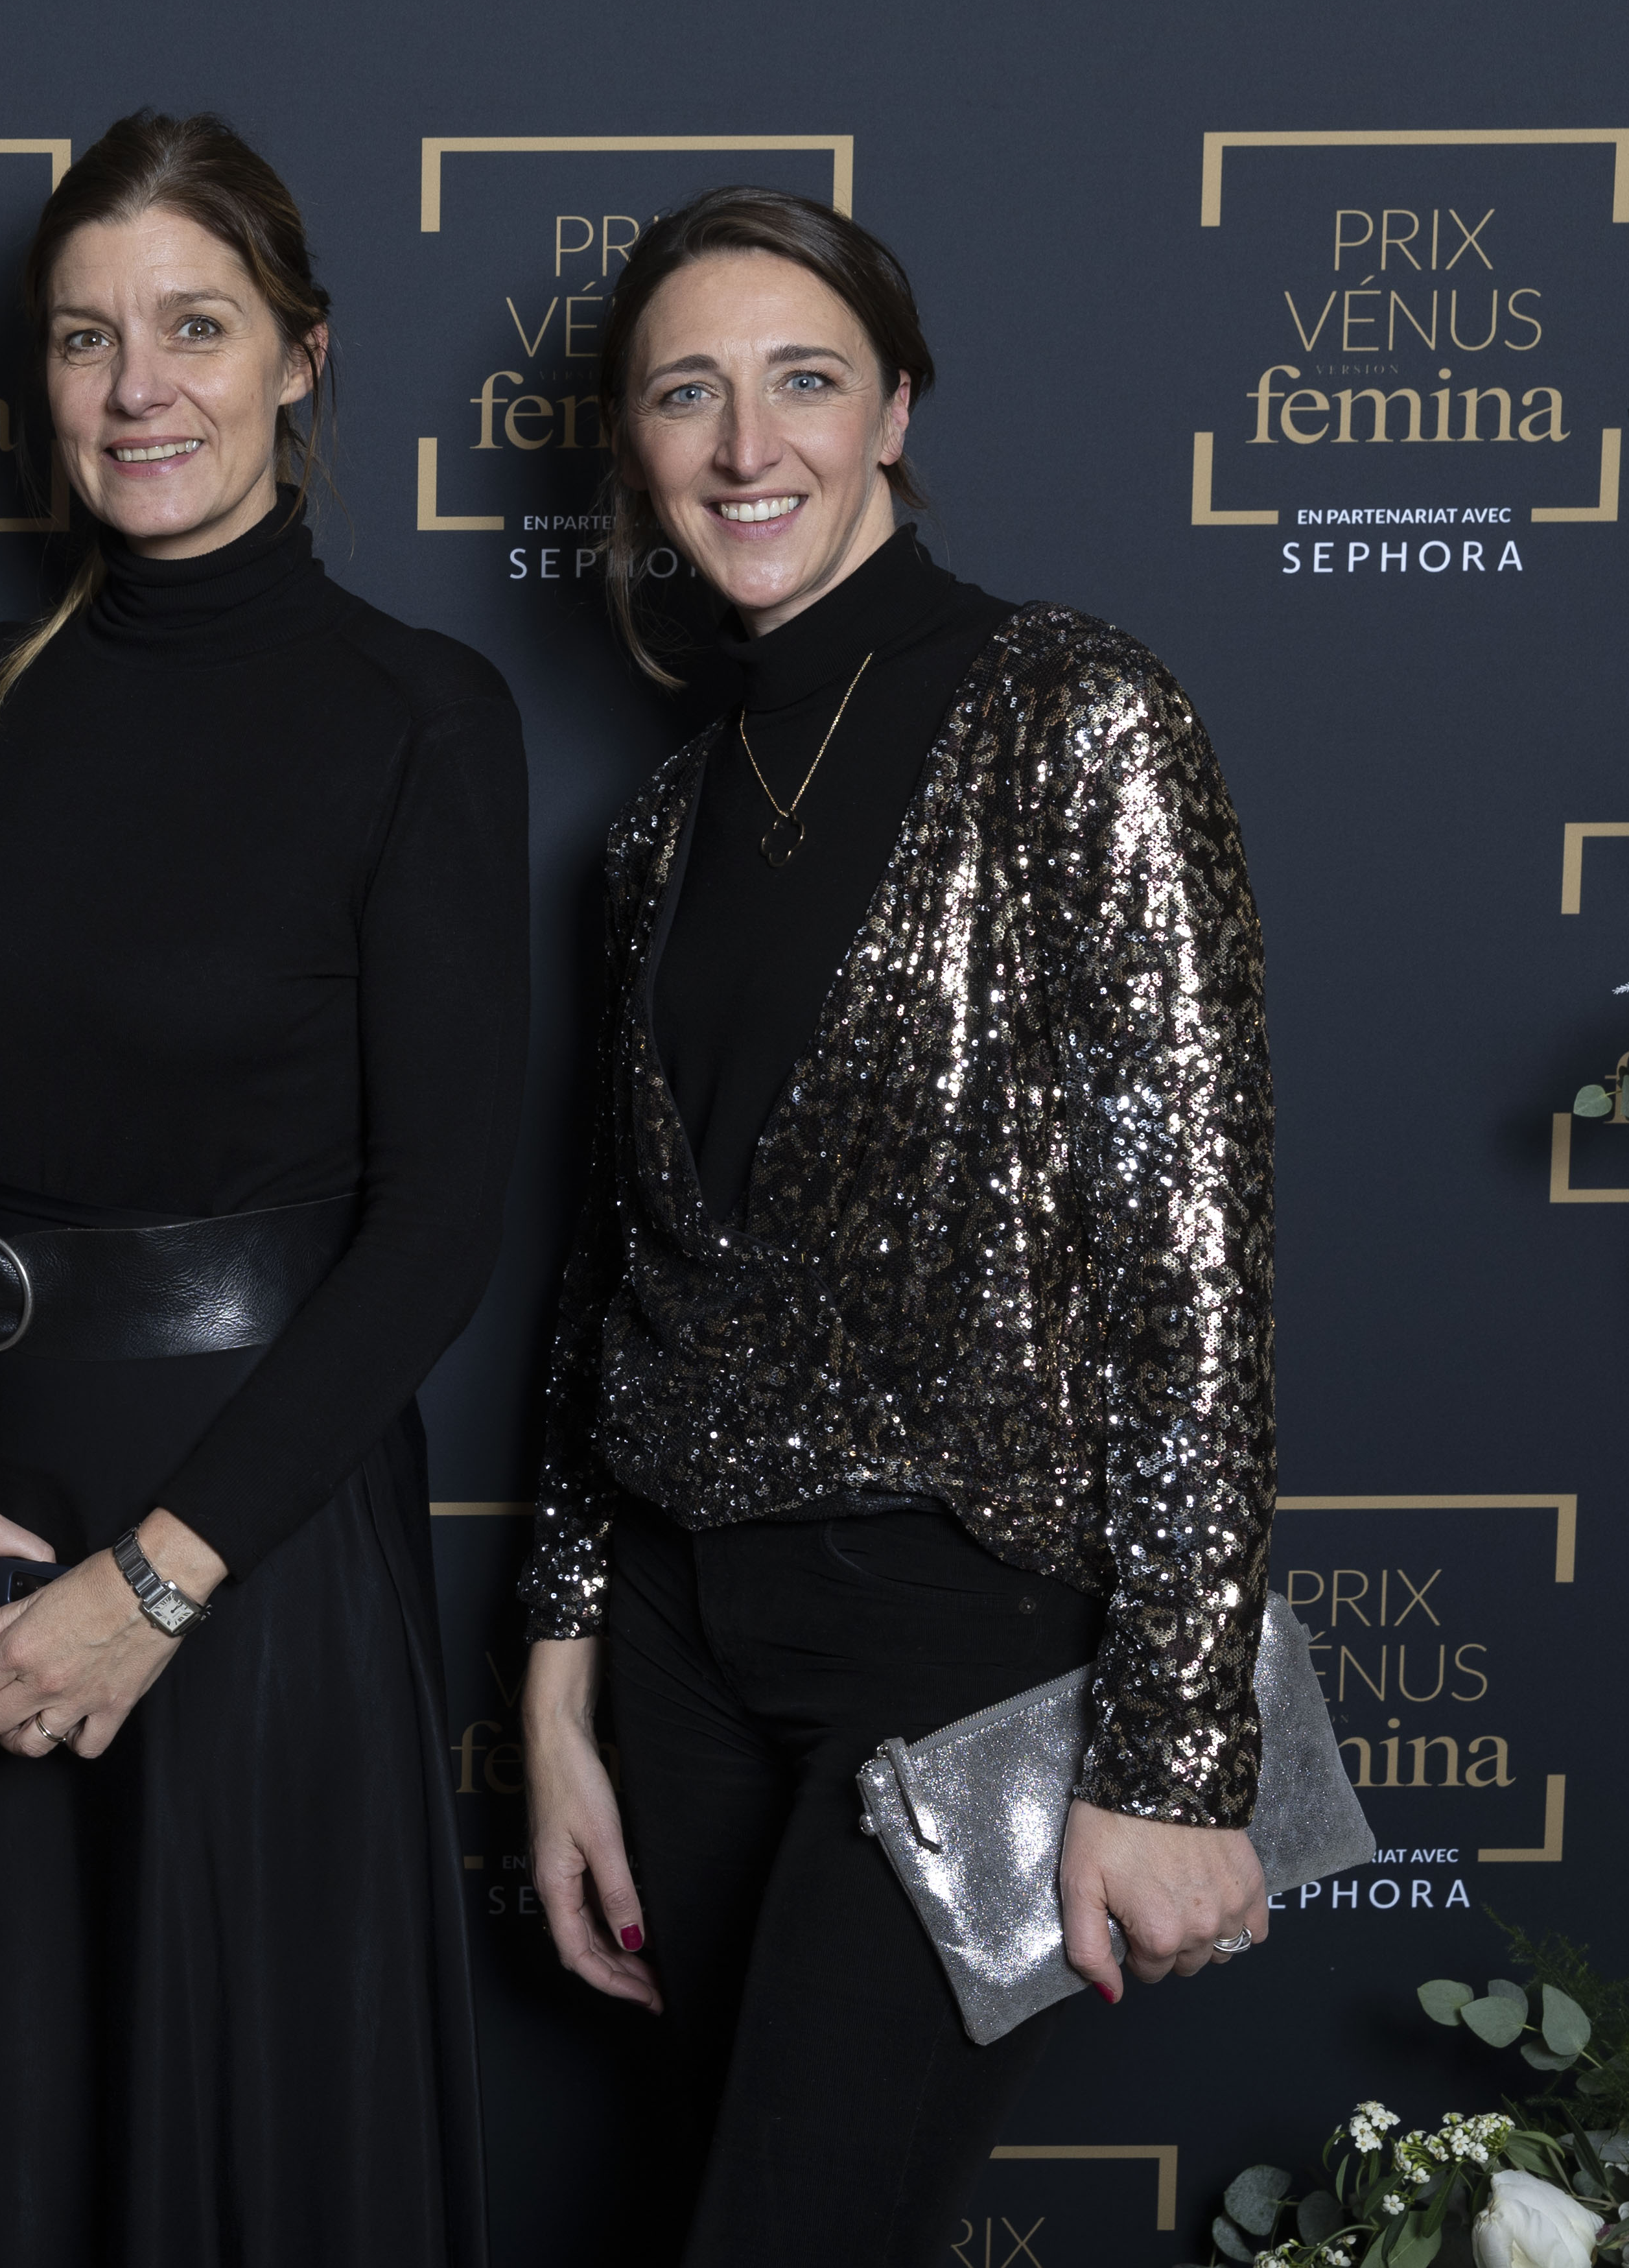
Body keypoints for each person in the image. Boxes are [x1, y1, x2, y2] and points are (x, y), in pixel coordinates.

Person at [0, 110, 528, 2268]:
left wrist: (160, 1584)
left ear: (302, 355)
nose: (136, 387)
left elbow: (438, 1226)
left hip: (244, 1566)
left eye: (194, 326)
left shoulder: (421, 715)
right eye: (86, 338)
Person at [515, 186, 1278, 2267]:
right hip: (676, 1641)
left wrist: (1182, 1748)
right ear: (639, 448)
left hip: (962, 1643)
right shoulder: (660, 826)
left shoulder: (1072, 713)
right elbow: (613, 1272)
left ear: (895, 410)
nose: (747, 445)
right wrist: (561, 1682)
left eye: (803, 382)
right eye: (690, 393)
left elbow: (1190, 1261)